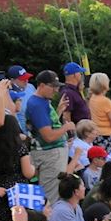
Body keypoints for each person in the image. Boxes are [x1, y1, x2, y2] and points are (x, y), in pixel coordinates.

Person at [25, 71, 72, 207]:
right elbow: (48, 136)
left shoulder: (42, 101)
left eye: (57, 86)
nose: (56, 90)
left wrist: (58, 111)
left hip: (50, 153)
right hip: (50, 154)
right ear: (41, 85)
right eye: (53, 86)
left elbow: (46, 126)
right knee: (50, 197)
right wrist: (66, 127)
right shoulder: (37, 104)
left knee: (49, 195)